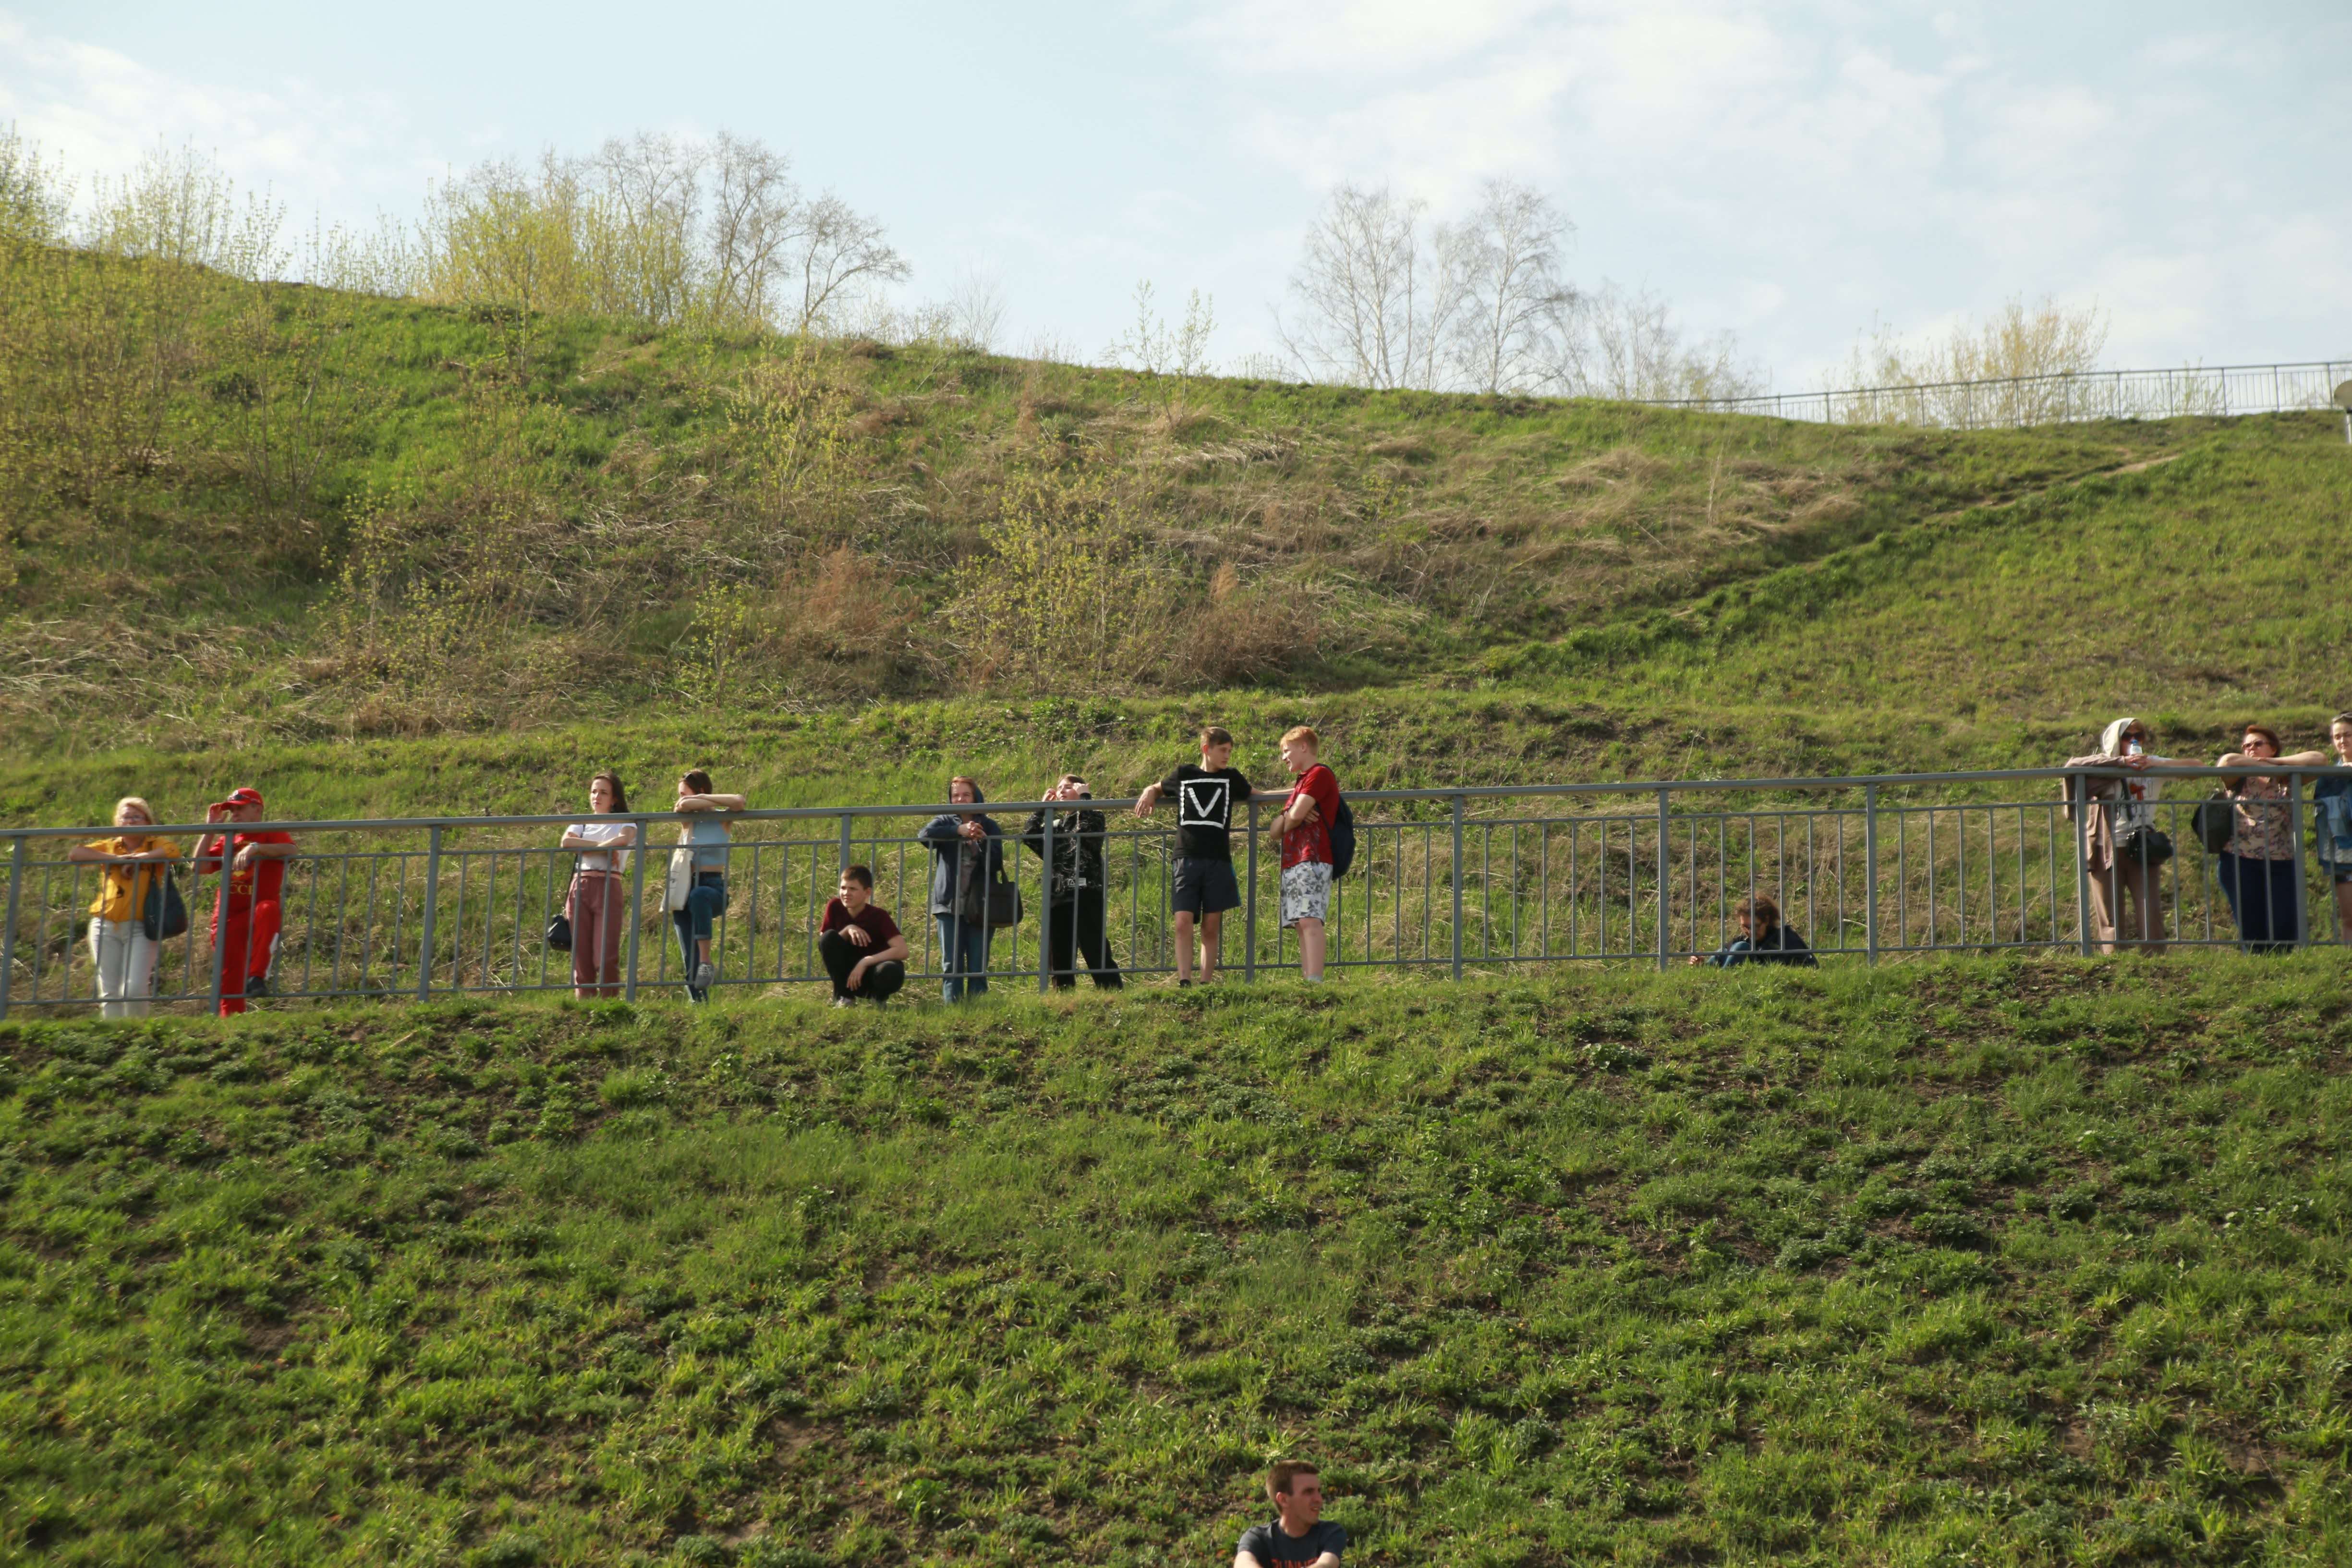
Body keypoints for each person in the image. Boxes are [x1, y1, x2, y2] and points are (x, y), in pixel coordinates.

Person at [2062, 717, 2204, 953]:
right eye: (2127, 736)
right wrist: (2121, 763)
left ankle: (2155, 961)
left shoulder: (2153, 764)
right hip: (2105, 847)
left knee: (2149, 908)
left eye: (2140, 736)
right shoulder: (2103, 766)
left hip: (2143, 846)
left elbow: (2199, 768)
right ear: (2115, 740)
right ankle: (2115, 962)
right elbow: (2072, 765)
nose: (2134, 741)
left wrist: (2156, 764)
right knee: (2110, 913)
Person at [1135, 726, 1259, 985]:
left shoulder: (1231, 777)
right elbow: (1158, 787)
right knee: (1183, 922)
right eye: (1222, 750)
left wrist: (1296, 795)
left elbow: (1257, 795)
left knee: (1211, 926)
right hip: (1185, 858)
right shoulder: (1184, 773)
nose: (1227, 756)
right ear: (1206, 749)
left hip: (1218, 860)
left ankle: (1205, 983)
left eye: (1230, 751)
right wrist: (1149, 791)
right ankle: (1184, 981)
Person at [2214, 724, 2325, 954]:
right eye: (2246, 746)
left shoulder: (2288, 777)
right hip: (2239, 860)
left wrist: (2275, 765)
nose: (2251, 749)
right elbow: (2226, 762)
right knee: (2252, 927)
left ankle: (2283, 969)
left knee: (2285, 924)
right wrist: (2262, 765)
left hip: (2282, 861)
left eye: (2258, 744)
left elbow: (2319, 759)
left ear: (2273, 748)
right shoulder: (2240, 777)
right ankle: (2258, 969)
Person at [66, 796, 180, 1019]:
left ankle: (138, 1032)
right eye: (126, 817)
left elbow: (173, 851)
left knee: (134, 988)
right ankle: (114, 1033)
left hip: (142, 927)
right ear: (117, 822)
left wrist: (138, 858)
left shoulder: (154, 844)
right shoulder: (111, 846)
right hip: (104, 925)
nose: (131, 821)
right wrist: (118, 859)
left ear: (148, 822)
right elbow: (76, 854)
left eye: (137, 817)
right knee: (110, 991)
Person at [191, 786, 297, 1015]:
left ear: (257, 810)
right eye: (231, 810)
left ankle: (257, 977)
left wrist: (255, 848)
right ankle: (232, 1023)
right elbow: (199, 867)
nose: (234, 814)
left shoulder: (270, 832)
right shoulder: (228, 838)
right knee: (230, 974)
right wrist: (209, 829)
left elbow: (291, 850)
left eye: (239, 809)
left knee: (269, 909)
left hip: (257, 910)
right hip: (228, 915)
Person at [1018, 775, 1122, 990]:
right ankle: (1063, 995)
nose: (1062, 791)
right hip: (1058, 894)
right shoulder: (1055, 825)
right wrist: (1042, 809)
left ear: (1081, 790)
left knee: (1094, 947)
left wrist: (1085, 799)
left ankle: (1112, 991)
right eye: (1059, 788)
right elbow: (1029, 835)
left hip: (1086, 892)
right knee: (1059, 953)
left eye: (1068, 787)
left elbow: (1088, 831)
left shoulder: (1094, 815)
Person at [919, 777, 1004, 1002]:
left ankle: (977, 1009)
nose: (960, 799)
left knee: (978, 964)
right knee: (951, 964)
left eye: (966, 795)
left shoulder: (990, 826)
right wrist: (958, 830)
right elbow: (924, 836)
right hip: (949, 902)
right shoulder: (944, 821)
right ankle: (953, 1010)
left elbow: (996, 864)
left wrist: (983, 841)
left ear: (976, 798)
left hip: (981, 905)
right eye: (955, 795)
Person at [1268, 727, 1339, 983]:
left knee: (1310, 920)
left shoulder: (1319, 774)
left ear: (1304, 747)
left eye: (1287, 750)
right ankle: (1309, 979)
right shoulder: (1301, 782)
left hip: (1313, 858)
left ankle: (1315, 980)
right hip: (1295, 861)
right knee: (1300, 923)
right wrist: (1291, 815)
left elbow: (1295, 816)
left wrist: (1293, 815)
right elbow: (1275, 831)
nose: (1284, 757)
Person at [559, 772, 637, 998]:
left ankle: (610, 1004)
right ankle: (585, 1006)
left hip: (609, 885)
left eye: (603, 792)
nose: (597, 797)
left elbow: (623, 840)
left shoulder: (626, 821)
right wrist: (606, 849)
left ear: (615, 799)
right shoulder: (582, 821)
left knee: (605, 957)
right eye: (594, 792)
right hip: (581, 884)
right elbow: (567, 842)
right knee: (581, 956)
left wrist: (586, 848)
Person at [672, 769, 745, 1002]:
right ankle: (699, 1005)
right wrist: (694, 800)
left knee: (700, 895)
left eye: (684, 793)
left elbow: (739, 801)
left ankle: (707, 962)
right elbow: (682, 807)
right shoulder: (687, 819)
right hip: (684, 887)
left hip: (712, 887)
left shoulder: (722, 819)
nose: (680, 799)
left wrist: (705, 799)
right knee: (688, 957)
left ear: (700, 792)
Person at [818, 865, 910, 1006]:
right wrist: (848, 930)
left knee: (892, 969)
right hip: (847, 974)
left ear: (867, 893)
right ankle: (845, 999)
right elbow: (825, 943)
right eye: (843, 888)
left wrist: (865, 962)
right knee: (828, 937)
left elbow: (902, 950)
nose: (846, 893)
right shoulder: (835, 907)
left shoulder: (879, 916)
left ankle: (879, 1000)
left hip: (873, 974)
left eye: (853, 889)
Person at [1235, 1461, 1345, 1568]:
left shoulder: (1330, 1532)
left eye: (1319, 1491)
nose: (1319, 1499)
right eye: (1308, 1492)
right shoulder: (1258, 1537)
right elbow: (1243, 1563)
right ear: (1283, 1500)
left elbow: (1327, 1564)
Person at [1690, 893, 1819, 967]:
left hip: (1769, 978)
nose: (1749, 932)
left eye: (1754, 926)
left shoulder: (1785, 937)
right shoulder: (1745, 940)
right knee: (1723, 951)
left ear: (1767, 920)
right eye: (1745, 927)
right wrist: (1701, 964)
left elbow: (1812, 965)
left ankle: (1723, 981)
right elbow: (1721, 956)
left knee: (1741, 948)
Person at [2313, 713, 2352, 943]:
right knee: (2349, 917)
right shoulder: (2329, 776)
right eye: (2337, 736)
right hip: (2344, 853)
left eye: (2348, 734)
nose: (2342, 740)